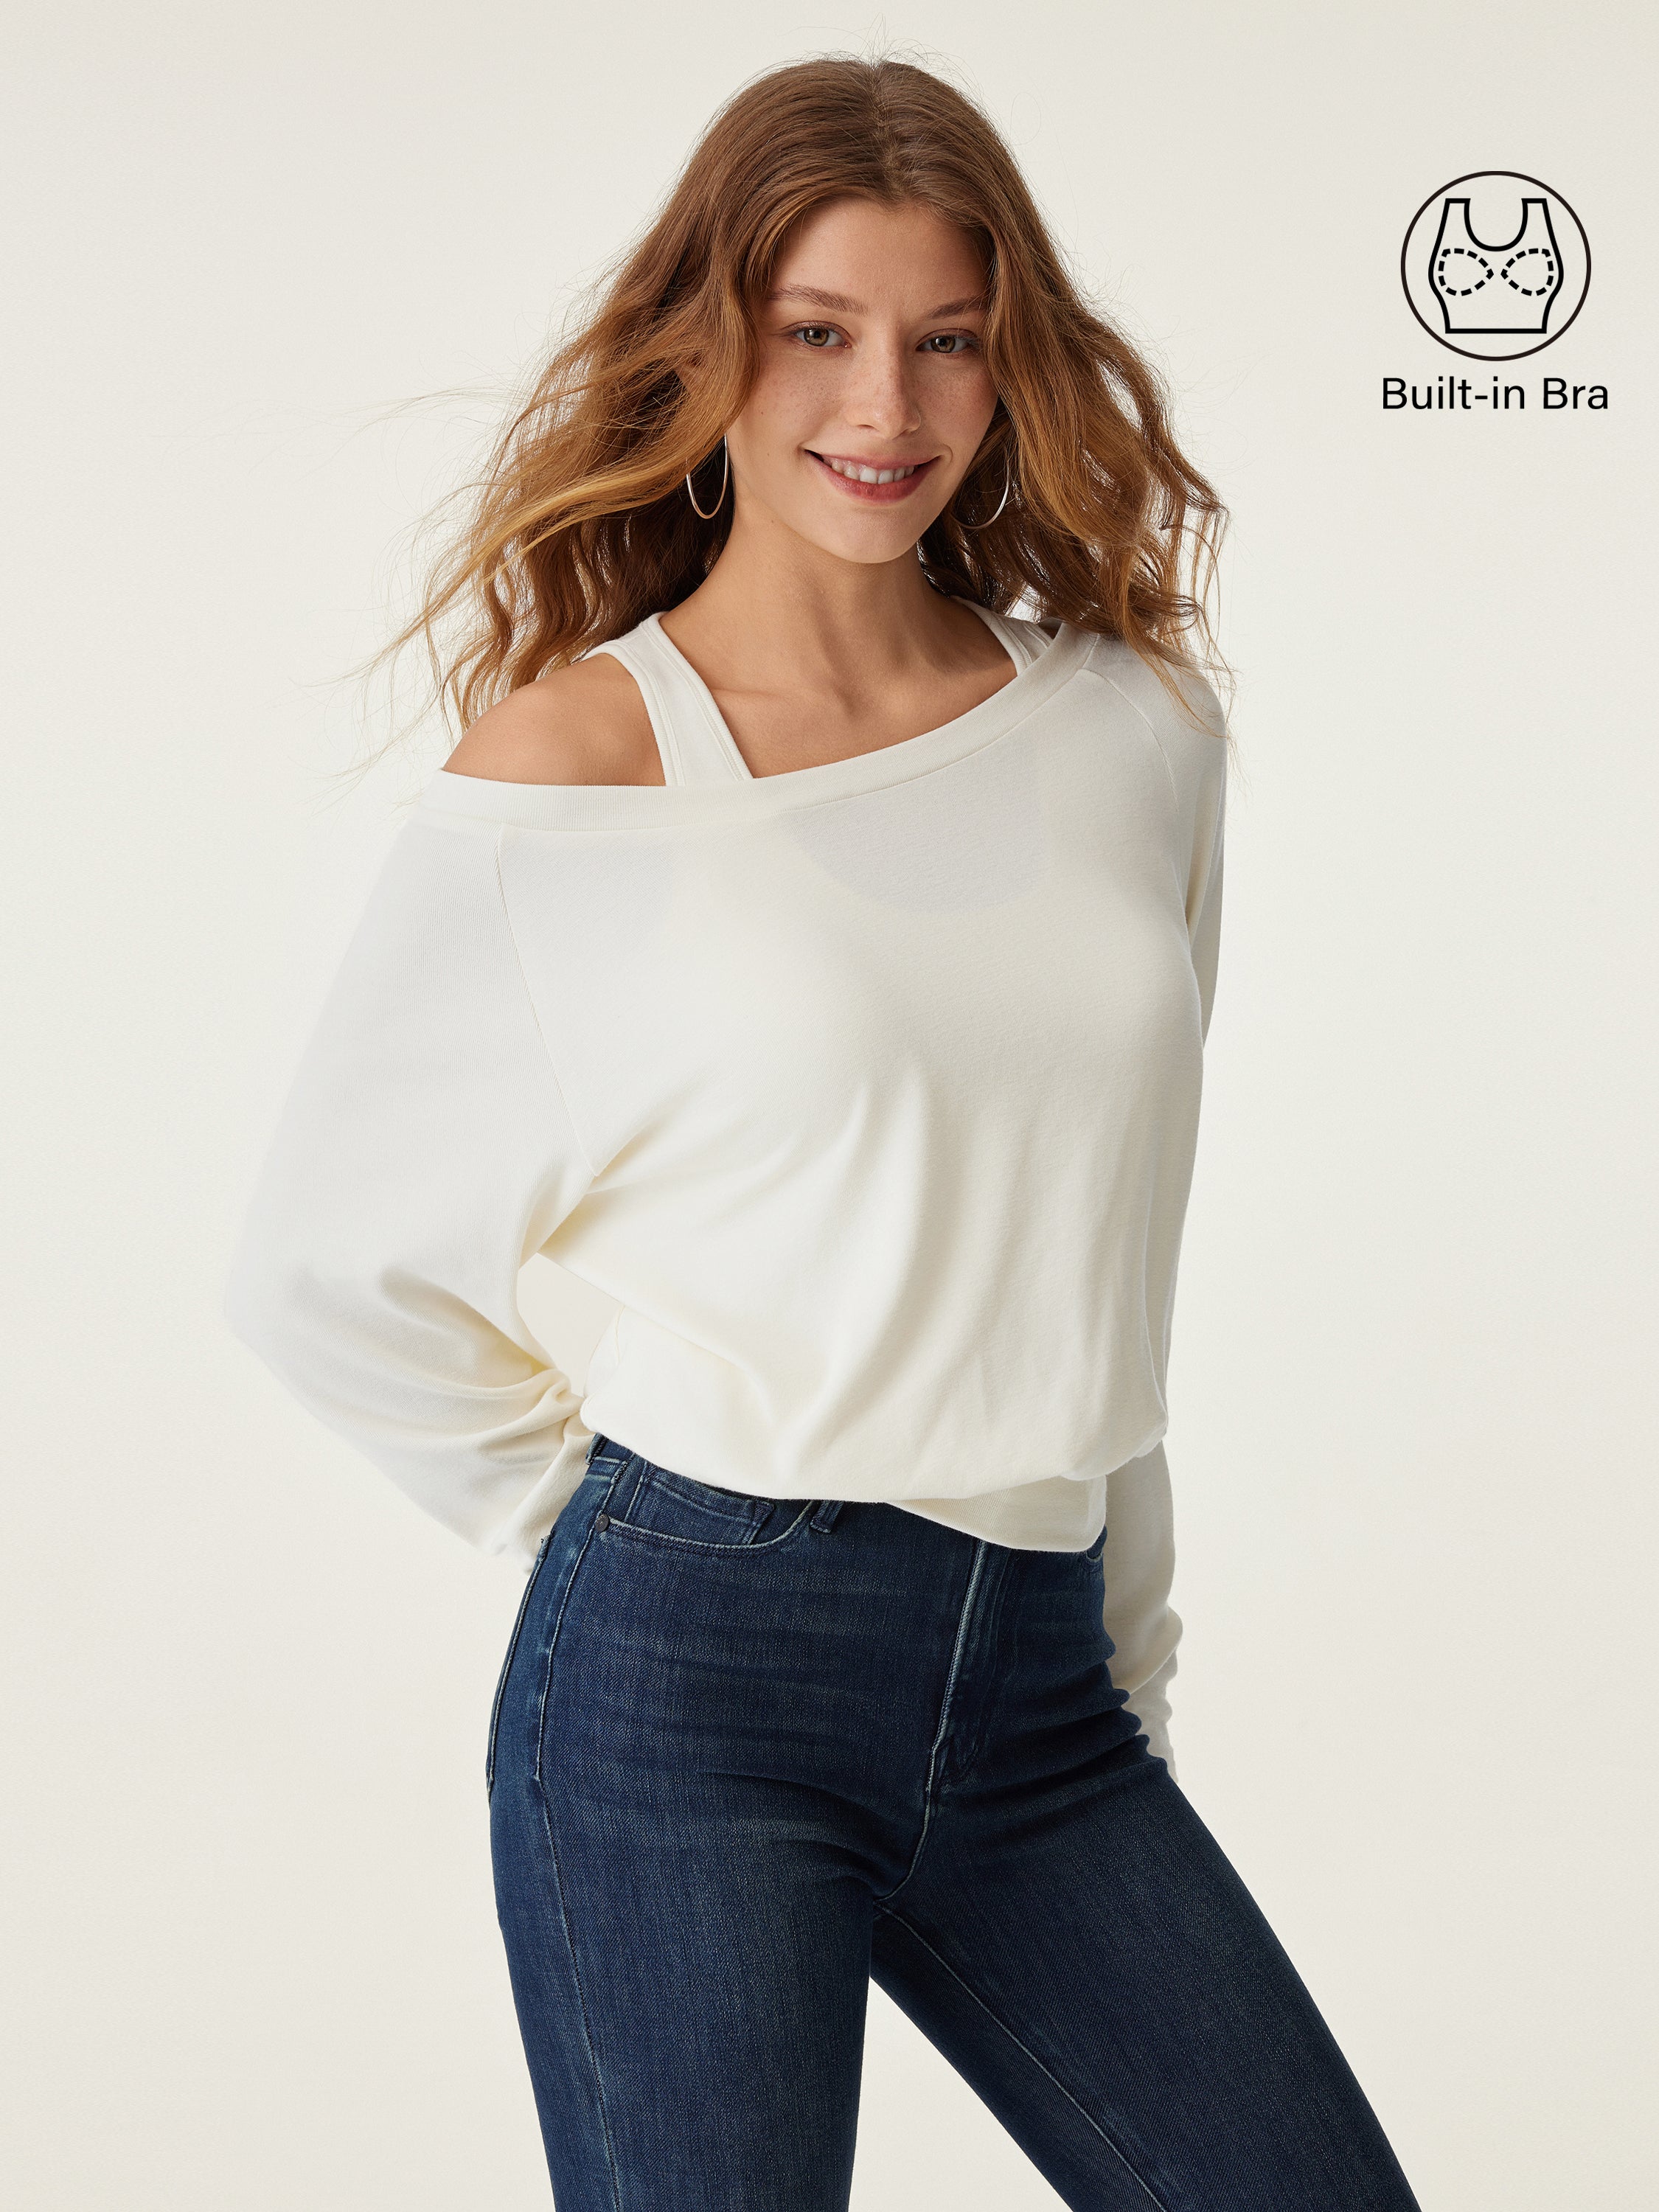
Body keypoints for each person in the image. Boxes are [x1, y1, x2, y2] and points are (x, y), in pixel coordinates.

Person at [224, 52, 1422, 2212]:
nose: (887, 403)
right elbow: (324, 1272)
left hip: (1042, 1689)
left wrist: (1121, 1639)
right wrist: (639, 1535)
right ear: (710, 347)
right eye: (819, 331)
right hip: (691, 1696)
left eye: (947, 338)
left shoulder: (1134, 728)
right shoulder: (580, 766)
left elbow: (1111, 1243)